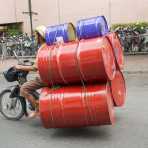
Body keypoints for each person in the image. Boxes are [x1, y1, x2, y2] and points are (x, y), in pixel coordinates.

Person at [15, 25, 47, 118]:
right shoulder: (47, 45)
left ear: (40, 36)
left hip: (44, 77)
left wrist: (20, 67)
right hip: (49, 76)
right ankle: (38, 101)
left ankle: (38, 109)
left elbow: (35, 68)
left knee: (24, 88)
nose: (35, 37)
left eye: (36, 35)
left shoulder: (42, 48)